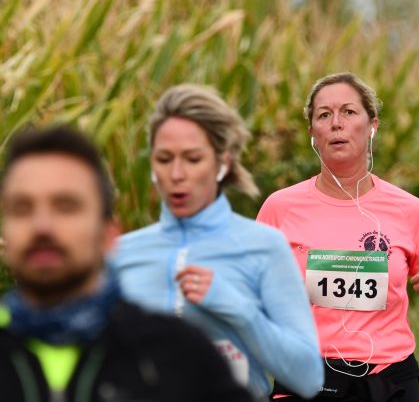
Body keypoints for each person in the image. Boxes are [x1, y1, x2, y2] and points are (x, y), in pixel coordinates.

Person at [0, 125, 255, 402]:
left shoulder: (179, 356)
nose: (42, 227)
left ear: (108, 235)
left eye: (66, 207)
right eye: (21, 209)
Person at [257, 72, 419, 401]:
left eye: (349, 112)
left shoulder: (410, 210)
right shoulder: (279, 208)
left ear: (372, 126)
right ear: (312, 133)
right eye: (324, 115)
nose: (336, 123)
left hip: (389, 379)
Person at [111, 84, 324, 401]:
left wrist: (241, 311)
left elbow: (307, 378)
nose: (177, 174)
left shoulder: (264, 247)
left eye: (193, 159)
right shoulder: (120, 255)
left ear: (222, 163)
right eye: (164, 159)